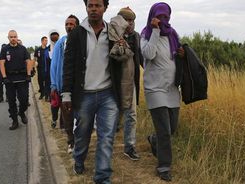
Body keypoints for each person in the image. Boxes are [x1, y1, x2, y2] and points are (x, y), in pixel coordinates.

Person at [62, 0, 121, 183]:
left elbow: (122, 60)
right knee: (83, 134)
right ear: (86, 7)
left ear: (105, 8)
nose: (93, 9)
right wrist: (66, 94)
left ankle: (102, 177)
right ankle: (79, 160)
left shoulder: (112, 32)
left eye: (98, 5)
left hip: (108, 94)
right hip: (84, 94)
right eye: (90, 6)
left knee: (106, 137)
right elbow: (69, 65)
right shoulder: (77, 34)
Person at [140, 2, 185, 182]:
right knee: (165, 130)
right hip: (154, 88)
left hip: (172, 88)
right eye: (160, 16)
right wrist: (155, 31)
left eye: (166, 17)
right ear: (153, 16)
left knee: (172, 128)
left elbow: (176, 58)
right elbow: (148, 55)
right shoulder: (146, 34)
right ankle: (164, 166)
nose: (163, 20)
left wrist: (182, 54)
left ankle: (154, 139)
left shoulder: (173, 35)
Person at [115, 7, 144, 161]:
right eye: (126, 19)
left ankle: (129, 147)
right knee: (113, 115)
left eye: (132, 20)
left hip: (130, 82)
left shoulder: (137, 37)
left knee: (131, 115)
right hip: (112, 82)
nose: (129, 23)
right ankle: (105, 145)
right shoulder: (112, 35)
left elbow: (141, 59)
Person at [50, 14, 80, 153]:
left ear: (77, 26)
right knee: (67, 116)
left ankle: (80, 140)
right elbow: (54, 65)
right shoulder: (61, 43)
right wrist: (54, 85)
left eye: (71, 24)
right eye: (67, 24)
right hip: (64, 86)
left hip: (80, 86)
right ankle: (70, 141)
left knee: (80, 116)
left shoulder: (83, 40)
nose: (69, 26)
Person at [0, 30, 33, 130]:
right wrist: (4, 77)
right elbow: (2, 63)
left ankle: (21, 112)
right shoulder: (5, 49)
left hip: (22, 78)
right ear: (8, 38)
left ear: (17, 37)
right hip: (10, 79)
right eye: (11, 37)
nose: (13, 38)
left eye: (14, 36)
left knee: (24, 100)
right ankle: (14, 121)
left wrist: (28, 75)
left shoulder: (23, 49)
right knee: (11, 101)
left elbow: (28, 62)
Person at [34, 36, 51, 101]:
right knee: (40, 82)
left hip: (47, 69)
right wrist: (35, 62)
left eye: (47, 40)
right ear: (42, 41)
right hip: (40, 69)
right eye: (45, 40)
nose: (46, 42)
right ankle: (42, 94)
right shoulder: (38, 50)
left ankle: (47, 96)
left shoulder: (48, 49)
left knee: (47, 83)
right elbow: (35, 58)